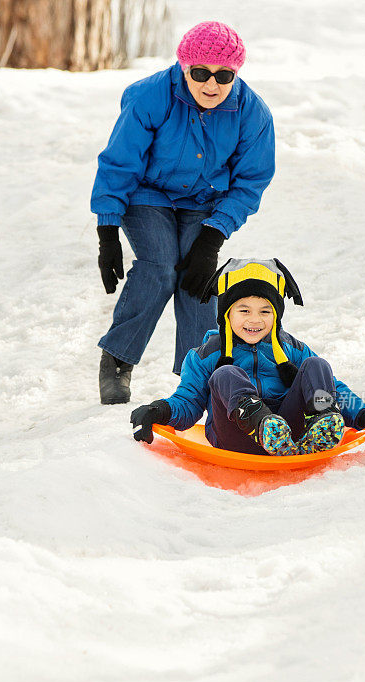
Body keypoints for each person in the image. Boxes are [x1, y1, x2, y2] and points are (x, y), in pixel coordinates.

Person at [91, 21, 276, 404]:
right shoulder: (148, 98)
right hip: (147, 194)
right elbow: (119, 164)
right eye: (201, 73)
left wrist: (212, 239)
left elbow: (250, 181)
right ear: (183, 68)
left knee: (197, 276)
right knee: (159, 265)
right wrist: (107, 231)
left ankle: (200, 377)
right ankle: (118, 360)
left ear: (236, 73)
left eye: (224, 75)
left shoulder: (252, 113)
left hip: (204, 201)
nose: (212, 84)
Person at [130, 259, 365, 455]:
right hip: (235, 437)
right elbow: (187, 403)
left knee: (317, 365)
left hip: (292, 435)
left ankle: (322, 422)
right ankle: (262, 424)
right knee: (225, 373)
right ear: (226, 315)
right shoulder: (206, 355)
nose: (254, 320)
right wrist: (159, 411)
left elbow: (331, 387)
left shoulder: (293, 349)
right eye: (244, 310)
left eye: (265, 312)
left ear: (276, 316)